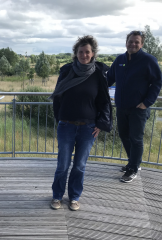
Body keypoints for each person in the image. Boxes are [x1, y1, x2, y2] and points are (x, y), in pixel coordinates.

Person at [50, 35, 112, 211]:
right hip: (66, 125)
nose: (84, 55)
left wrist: (100, 123)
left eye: (87, 52)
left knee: (79, 166)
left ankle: (74, 197)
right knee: (62, 165)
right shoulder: (67, 71)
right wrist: (60, 119)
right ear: (76, 54)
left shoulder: (98, 74)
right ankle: (57, 196)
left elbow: (103, 101)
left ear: (93, 54)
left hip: (88, 128)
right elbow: (57, 97)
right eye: (81, 52)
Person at [107, 30, 162, 183]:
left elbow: (157, 83)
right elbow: (108, 78)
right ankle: (134, 162)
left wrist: (146, 103)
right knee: (124, 135)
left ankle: (133, 168)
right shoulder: (119, 60)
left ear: (141, 44)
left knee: (136, 139)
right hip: (121, 106)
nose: (133, 44)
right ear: (126, 42)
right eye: (130, 41)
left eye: (136, 42)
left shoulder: (148, 60)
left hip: (139, 108)